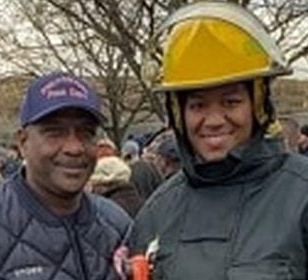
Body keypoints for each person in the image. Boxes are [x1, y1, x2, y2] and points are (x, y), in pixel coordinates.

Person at [128, 2, 308, 279]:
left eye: (231, 101)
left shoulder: (301, 195)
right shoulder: (157, 212)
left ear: (257, 106)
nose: (213, 120)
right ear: (179, 115)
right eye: (198, 105)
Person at [0, 71, 131, 279]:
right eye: (54, 132)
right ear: (23, 142)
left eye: (86, 132)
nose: (74, 147)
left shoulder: (117, 224)